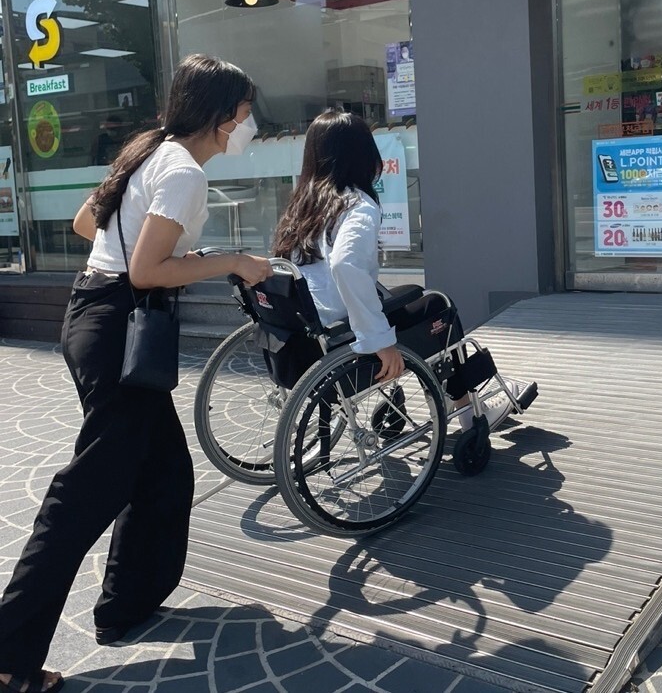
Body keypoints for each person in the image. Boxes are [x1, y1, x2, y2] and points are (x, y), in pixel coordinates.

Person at [0, 54, 273, 693]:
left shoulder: (149, 151)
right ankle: (9, 658)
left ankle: (126, 606)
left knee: (165, 473)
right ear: (225, 115)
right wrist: (231, 260)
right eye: (245, 112)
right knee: (84, 495)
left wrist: (182, 252)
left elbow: (84, 224)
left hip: (92, 317)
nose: (250, 124)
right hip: (119, 326)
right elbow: (147, 271)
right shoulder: (182, 172)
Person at [271, 110, 513, 425]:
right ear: (363, 156)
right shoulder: (356, 206)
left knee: (409, 297)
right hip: (342, 336)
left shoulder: (302, 205)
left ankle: (438, 396)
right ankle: (465, 407)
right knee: (439, 306)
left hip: (308, 337)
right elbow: (346, 265)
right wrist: (380, 342)